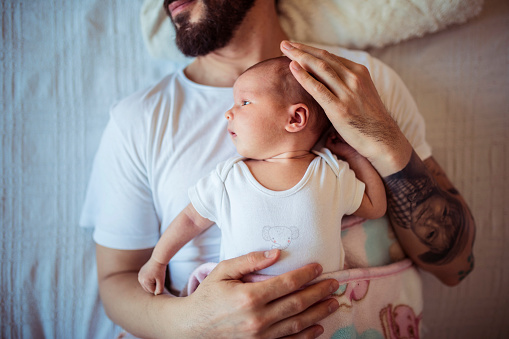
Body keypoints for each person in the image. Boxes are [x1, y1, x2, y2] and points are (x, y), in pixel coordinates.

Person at [80, 0, 476, 337]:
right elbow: (117, 280)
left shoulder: (359, 83)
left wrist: (384, 142)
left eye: (246, 104)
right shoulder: (141, 119)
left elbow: (455, 268)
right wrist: (192, 323)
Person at [137, 56, 387, 296]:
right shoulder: (229, 178)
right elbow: (191, 220)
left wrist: (355, 156)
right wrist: (158, 260)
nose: (228, 113)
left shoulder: (330, 173)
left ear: (295, 118)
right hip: (244, 301)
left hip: (319, 300)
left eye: (244, 103)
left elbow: (375, 207)